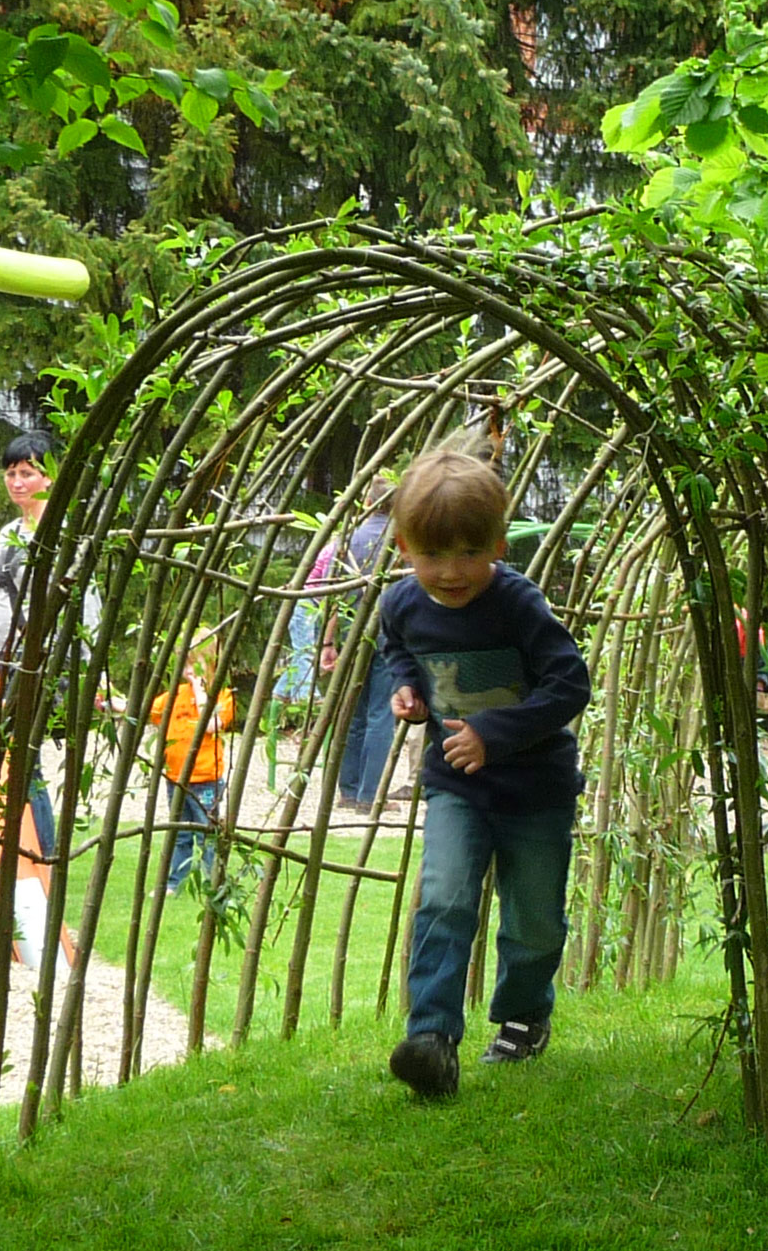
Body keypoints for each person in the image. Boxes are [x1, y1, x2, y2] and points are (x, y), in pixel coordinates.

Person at [375, 445, 589, 1101]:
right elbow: (400, 652)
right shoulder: (402, 604)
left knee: (534, 922)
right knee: (442, 900)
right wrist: (407, 691)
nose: (451, 571)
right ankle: (432, 1039)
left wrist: (493, 734)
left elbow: (569, 683)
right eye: (434, 555)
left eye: (470, 553)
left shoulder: (518, 605)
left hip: (535, 790)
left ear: (498, 543)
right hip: (457, 786)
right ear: (406, 545)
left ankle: (524, 1015)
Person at [0, 433, 84, 858]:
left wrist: (84, 666)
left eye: (27, 473)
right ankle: (13, 850)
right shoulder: (8, 532)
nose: (17, 482)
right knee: (3, 755)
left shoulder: (64, 535)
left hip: (43, 659)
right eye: (11, 473)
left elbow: (85, 603)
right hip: (1, 654)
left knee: (28, 760)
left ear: (49, 477)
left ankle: (42, 851)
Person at [319, 477, 403, 815]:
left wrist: (328, 641)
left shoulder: (346, 540)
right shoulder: (400, 542)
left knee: (352, 711)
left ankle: (348, 791)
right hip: (389, 633)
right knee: (381, 712)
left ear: (366, 501)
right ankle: (370, 797)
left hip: (352, 631)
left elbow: (332, 596)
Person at [145, 631, 239, 895]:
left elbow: (212, 725)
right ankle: (174, 882)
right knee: (179, 833)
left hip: (206, 779)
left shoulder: (222, 695)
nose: (186, 671)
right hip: (176, 778)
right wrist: (109, 704)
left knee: (208, 833)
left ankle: (215, 882)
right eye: (184, 664)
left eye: (191, 665)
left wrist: (200, 692)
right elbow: (145, 709)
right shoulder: (176, 695)